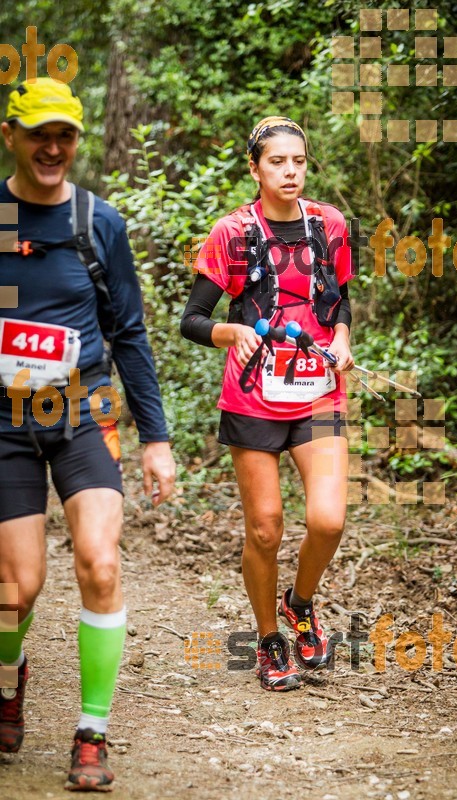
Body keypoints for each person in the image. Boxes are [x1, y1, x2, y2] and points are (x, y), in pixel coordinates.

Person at [0, 78, 175, 791]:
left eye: (64, 135)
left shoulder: (97, 221)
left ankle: (91, 733)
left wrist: (156, 439)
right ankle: (10, 683)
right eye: (39, 133)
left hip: (84, 415)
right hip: (6, 421)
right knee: (16, 589)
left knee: (100, 565)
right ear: (10, 133)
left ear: (77, 140)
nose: (52, 147)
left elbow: (128, 333)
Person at [181, 116, 354, 691]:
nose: (290, 171)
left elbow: (341, 299)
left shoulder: (329, 225)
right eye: (277, 162)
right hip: (254, 396)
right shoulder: (231, 232)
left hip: (319, 392)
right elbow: (193, 320)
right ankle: (267, 639)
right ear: (255, 169)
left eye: (299, 161)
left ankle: (299, 604)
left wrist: (344, 340)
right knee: (265, 528)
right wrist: (231, 334)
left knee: (328, 520)